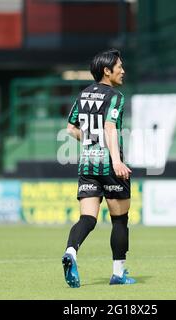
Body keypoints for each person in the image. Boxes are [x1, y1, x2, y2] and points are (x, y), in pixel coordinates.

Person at [61, 49, 136, 288]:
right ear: (107, 70)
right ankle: (118, 274)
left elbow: (71, 128)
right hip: (109, 166)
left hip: (87, 165)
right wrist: (116, 160)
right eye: (119, 66)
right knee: (120, 220)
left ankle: (71, 252)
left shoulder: (83, 95)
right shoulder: (115, 96)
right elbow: (110, 127)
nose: (123, 71)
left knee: (87, 218)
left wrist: (91, 142)